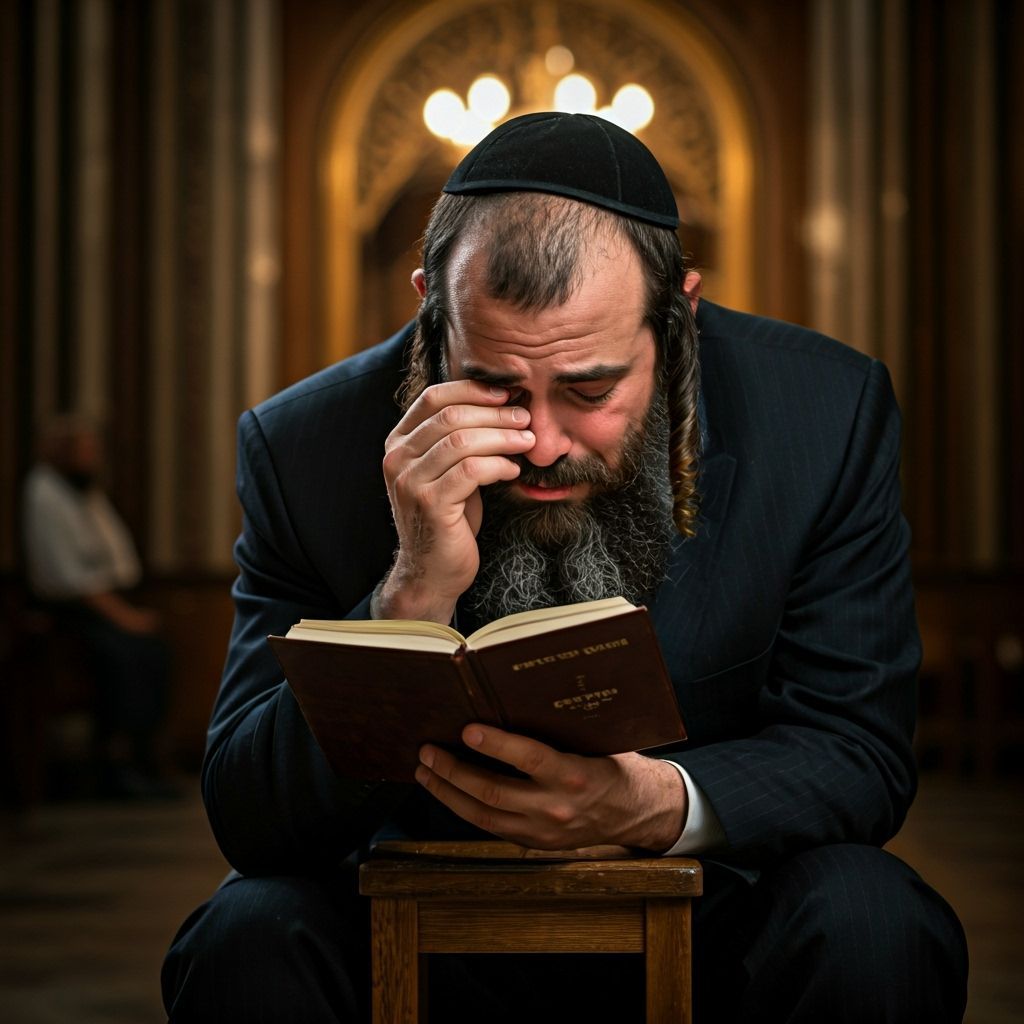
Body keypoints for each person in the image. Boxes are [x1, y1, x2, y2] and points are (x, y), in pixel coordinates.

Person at [162, 112, 967, 1021]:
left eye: (591, 390)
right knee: (246, 933)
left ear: (682, 315)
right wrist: (409, 598)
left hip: (721, 924)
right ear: (432, 306)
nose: (541, 444)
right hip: (418, 929)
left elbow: (860, 752)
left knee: (874, 921)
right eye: (495, 387)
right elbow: (248, 814)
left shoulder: (823, 414)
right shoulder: (302, 446)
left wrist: (656, 804)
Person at [22, 414, 176, 799]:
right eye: (83, 450)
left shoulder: (84, 492)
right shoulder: (44, 491)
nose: (92, 458)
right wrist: (125, 617)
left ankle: (144, 759)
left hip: (105, 601)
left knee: (152, 653)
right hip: (69, 612)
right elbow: (69, 578)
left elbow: (119, 560)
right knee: (123, 656)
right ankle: (114, 765)